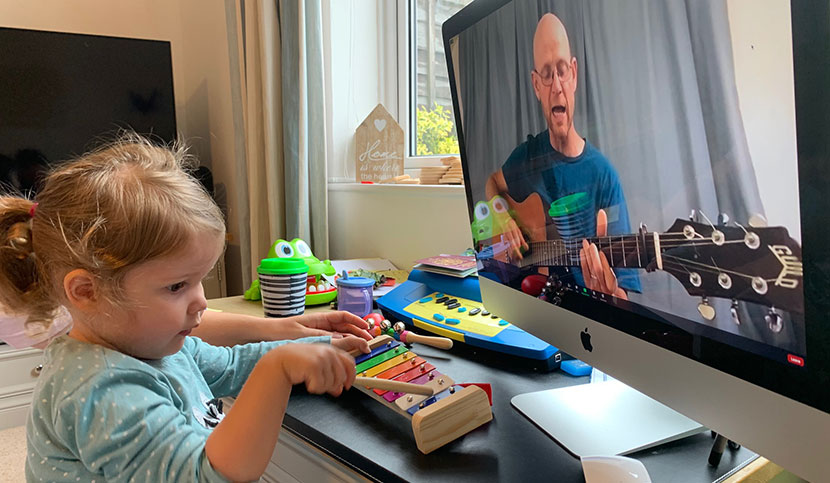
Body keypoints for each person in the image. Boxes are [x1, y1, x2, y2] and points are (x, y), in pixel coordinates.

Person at [0, 135, 371, 482]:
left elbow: (231, 366)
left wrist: (317, 347)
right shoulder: (97, 390)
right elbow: (206, 474)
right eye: (177, 286)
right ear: (86, 291)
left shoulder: (152, 344)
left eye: (199, 280)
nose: (202, 301)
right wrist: (279, 369)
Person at [485, 12, 640, 299]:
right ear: (535, 86)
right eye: (546, 74)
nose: (556, 86)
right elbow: (492, 183)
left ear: (574, 74)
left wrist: (611, 295)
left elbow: (625, 296)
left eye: (561, 71)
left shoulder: (603, 175)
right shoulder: (527, 155)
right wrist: (502, 216)